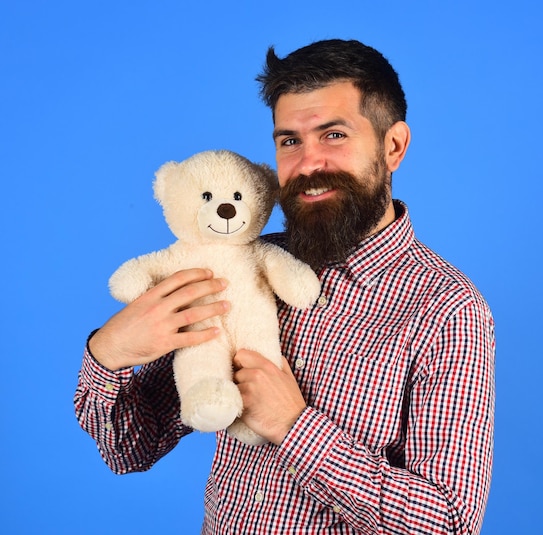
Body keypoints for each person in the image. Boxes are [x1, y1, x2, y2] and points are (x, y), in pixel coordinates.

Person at [75, 39, 495, 534]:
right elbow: (129, 450)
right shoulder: (235, 268)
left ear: (393, 146)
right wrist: (109, 352)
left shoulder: (447, 309)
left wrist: (295, 428)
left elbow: (448, 522)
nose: (308, 163)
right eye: (289, 141)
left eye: (333, 135)